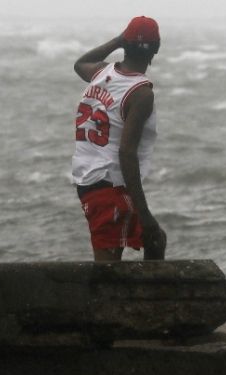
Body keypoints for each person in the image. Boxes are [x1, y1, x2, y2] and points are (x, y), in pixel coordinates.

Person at [70, 16, 167, 262]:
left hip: (89, 179)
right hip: (108, 185)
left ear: (126, 44)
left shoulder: (101, 72)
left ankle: (148, 300)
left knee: (155, 241)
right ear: (156, 49)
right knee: (109, 269)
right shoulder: (141, 93)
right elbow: (126, 152)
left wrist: (117, 41)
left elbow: (81, 62)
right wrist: (144, 214)